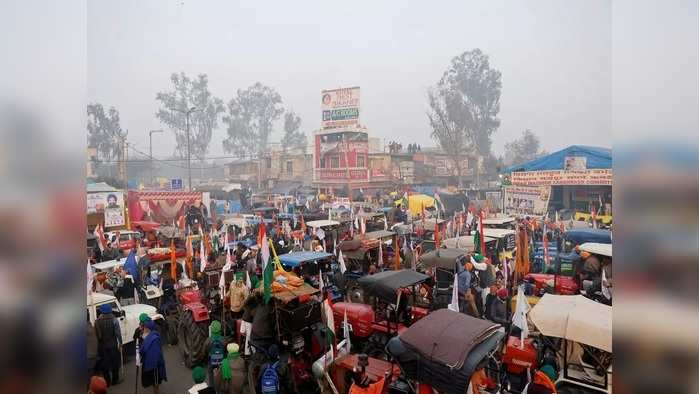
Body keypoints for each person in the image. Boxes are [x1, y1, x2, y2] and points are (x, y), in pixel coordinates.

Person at [94, 304, 122, 386]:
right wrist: (120, 343)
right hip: (112, 344)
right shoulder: (114, 320)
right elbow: (118, 333)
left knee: (104, 364)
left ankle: (107, 382)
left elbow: (97, 335)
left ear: (101, 311)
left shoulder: (97, 321)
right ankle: (115, 380)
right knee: (114, 362)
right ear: (110, 310)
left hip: (102, 346)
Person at [139, 319, 166, 393]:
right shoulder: (148, 337)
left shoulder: (153, 338)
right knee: (154, 383)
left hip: (154, 366)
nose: (143, 329)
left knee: (155, 384)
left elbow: (157, 354)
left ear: (148, 329)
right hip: (150, 365)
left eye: (144, 328)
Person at [204, 320, 225, 386]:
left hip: (211, 362)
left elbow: (204, 352)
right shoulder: (224, 340)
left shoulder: (208, 340)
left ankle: (212, 387)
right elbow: (225, 351)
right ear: (220, 329)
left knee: (211, 376)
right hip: (221, 362)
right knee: (221, 375)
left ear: (211, 329)